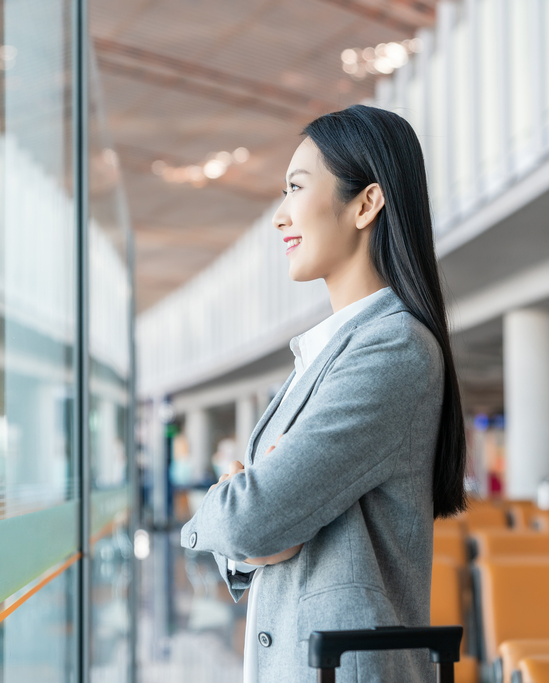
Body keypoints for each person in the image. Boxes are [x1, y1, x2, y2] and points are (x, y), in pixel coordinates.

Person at [180, 104, 467, 682]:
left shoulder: (395, 349)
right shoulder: (324, 356)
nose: (280, 216)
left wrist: (233, 510)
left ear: (366, 203)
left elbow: (252, 518)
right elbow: (258, 528)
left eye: (295, 188)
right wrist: (254, 529)